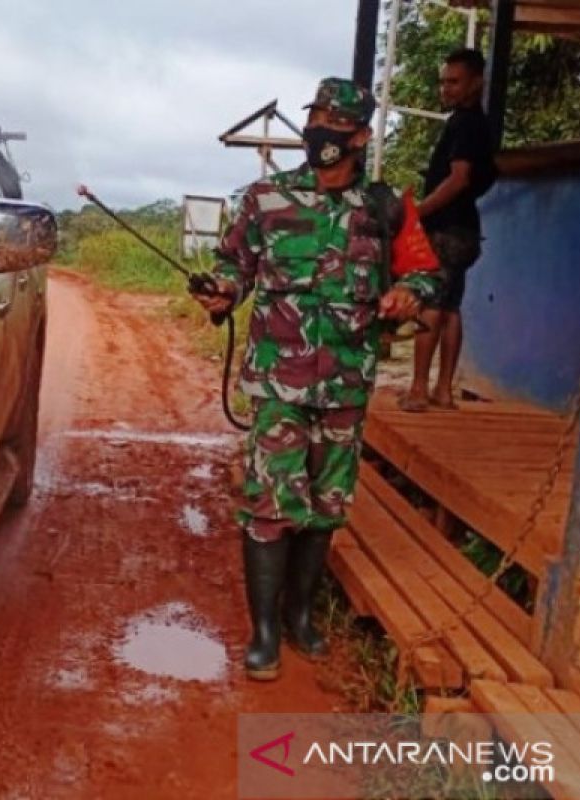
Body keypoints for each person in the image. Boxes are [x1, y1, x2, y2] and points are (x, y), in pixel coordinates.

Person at [192, 78, 442, 681]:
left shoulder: (387, 207)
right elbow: (234, 267)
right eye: (317, 116)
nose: (321, 128)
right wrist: (221, 291)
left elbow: (428, 274)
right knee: (270, 501)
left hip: (346, 385)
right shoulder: (264, 199)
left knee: (328, 504)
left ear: (359, 135)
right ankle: (265, 630)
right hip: (279, 383)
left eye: (335, 120)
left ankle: (301, 614)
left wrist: (409, 292)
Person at [401, 48, 497, 412]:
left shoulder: (465, 124)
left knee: (430, 305)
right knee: (451, 307)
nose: (447, 88)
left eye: (454, 81)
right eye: (443, 81)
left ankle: (418, 390)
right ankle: (443, 390)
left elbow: (459, 179)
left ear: (476, 83)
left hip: (448, 230)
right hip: (466, 231)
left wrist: (418, 212)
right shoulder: (475, 123)